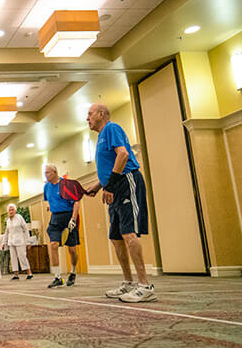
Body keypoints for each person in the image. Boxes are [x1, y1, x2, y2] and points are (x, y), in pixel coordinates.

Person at [87, 103, 157, 303]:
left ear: (101, 114)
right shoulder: (101, 138)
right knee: (116, 237)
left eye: (90, 114)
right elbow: (110, 166)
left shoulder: (111, 128)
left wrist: (110, 185)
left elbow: (123, 155)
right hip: (114, 186)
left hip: (127, 182)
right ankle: (128, 283)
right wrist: (98, 186)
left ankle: (145, 285)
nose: (87, 118)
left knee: (128, 233)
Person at [43, 163, 81, 288]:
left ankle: (73, 272)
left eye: (47, 172)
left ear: (54, 172)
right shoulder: (46, 187)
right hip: (55, 218)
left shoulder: (66, 184)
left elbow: (76, 202)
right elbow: (49, 202)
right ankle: (57, 277)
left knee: (72, 249)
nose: (46, 175)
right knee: (53, 245)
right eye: (45, 172)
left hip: (69, 216)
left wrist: (73, 219)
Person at [3, 203, 33, 280]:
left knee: (22, 256)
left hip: (20, 241)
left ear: (15, 210)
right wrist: (4, 242)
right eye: (9, 210)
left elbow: (26, 229)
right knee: (13, 258)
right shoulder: (8, 220)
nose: (11, 211)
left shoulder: (19, 217)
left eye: (12, 209)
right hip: (11, 241)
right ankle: (16, 274)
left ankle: (29, 273)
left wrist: (28, 242)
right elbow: (6, 232)